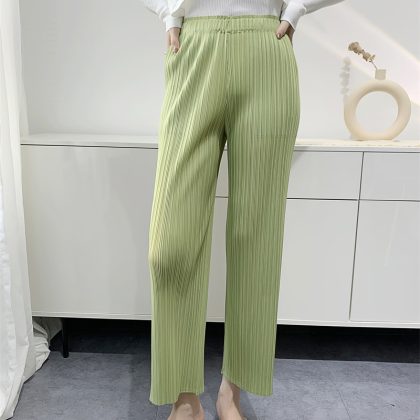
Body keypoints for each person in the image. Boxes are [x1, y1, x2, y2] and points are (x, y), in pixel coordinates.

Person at [140, 1, 345, 419]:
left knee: (256, 234)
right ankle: (184, 397)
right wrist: (168, 12)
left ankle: (230, 391)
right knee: (169, 249)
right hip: (193, 49)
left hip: (265, 51)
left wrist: (298, 7)